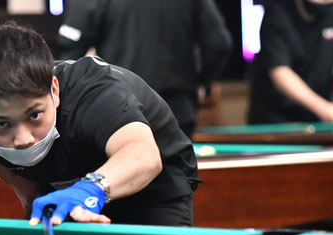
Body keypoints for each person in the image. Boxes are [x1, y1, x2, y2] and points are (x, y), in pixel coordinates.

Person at [0, 22, 199, 227]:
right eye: (1, 124)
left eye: (34, 115)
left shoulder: (94, 95)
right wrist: (24, 184)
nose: (24, 139)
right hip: (64, 190)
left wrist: (89, 189)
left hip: (152, 189)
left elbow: (143, 156)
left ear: (54, 91)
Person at [57, 0, 232, 138]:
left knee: (125, 171)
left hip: (119, 110)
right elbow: (219, 43)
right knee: (179, 174)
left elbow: (70, 54)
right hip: (177, 109)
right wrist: (198, 82)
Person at [248, 0, 333, 124]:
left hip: (316, 120)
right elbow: (280, 72)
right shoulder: (277, 12)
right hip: (275, 119)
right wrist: (324, 108)